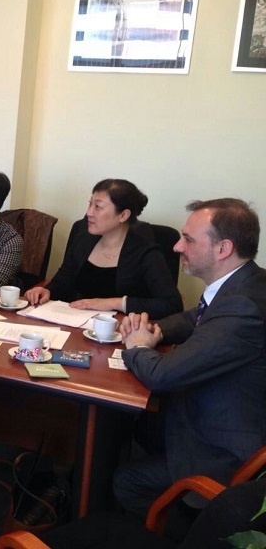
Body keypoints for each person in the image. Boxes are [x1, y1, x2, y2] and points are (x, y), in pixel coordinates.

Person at [115, 198, 266, 519]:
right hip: (208, 414)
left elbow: (162, 375)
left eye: (188, 239)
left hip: (220, 451)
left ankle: (183, 534)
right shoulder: (247, 282)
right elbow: (195, 317)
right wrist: (153, 329)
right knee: (127, 428)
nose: (177, 247)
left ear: (223, 248)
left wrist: (138, 347)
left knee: (125, 480)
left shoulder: (242, 307)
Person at [25, 179, 183, 319]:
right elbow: (64, 280)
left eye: (98, 207)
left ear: (123, 215)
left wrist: (114, 303)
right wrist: (48, 291)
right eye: (90, 204)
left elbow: (172, 304)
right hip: (76, 324)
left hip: (119, 331)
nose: (89, 213)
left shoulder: (146, 253)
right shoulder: (83, 237)